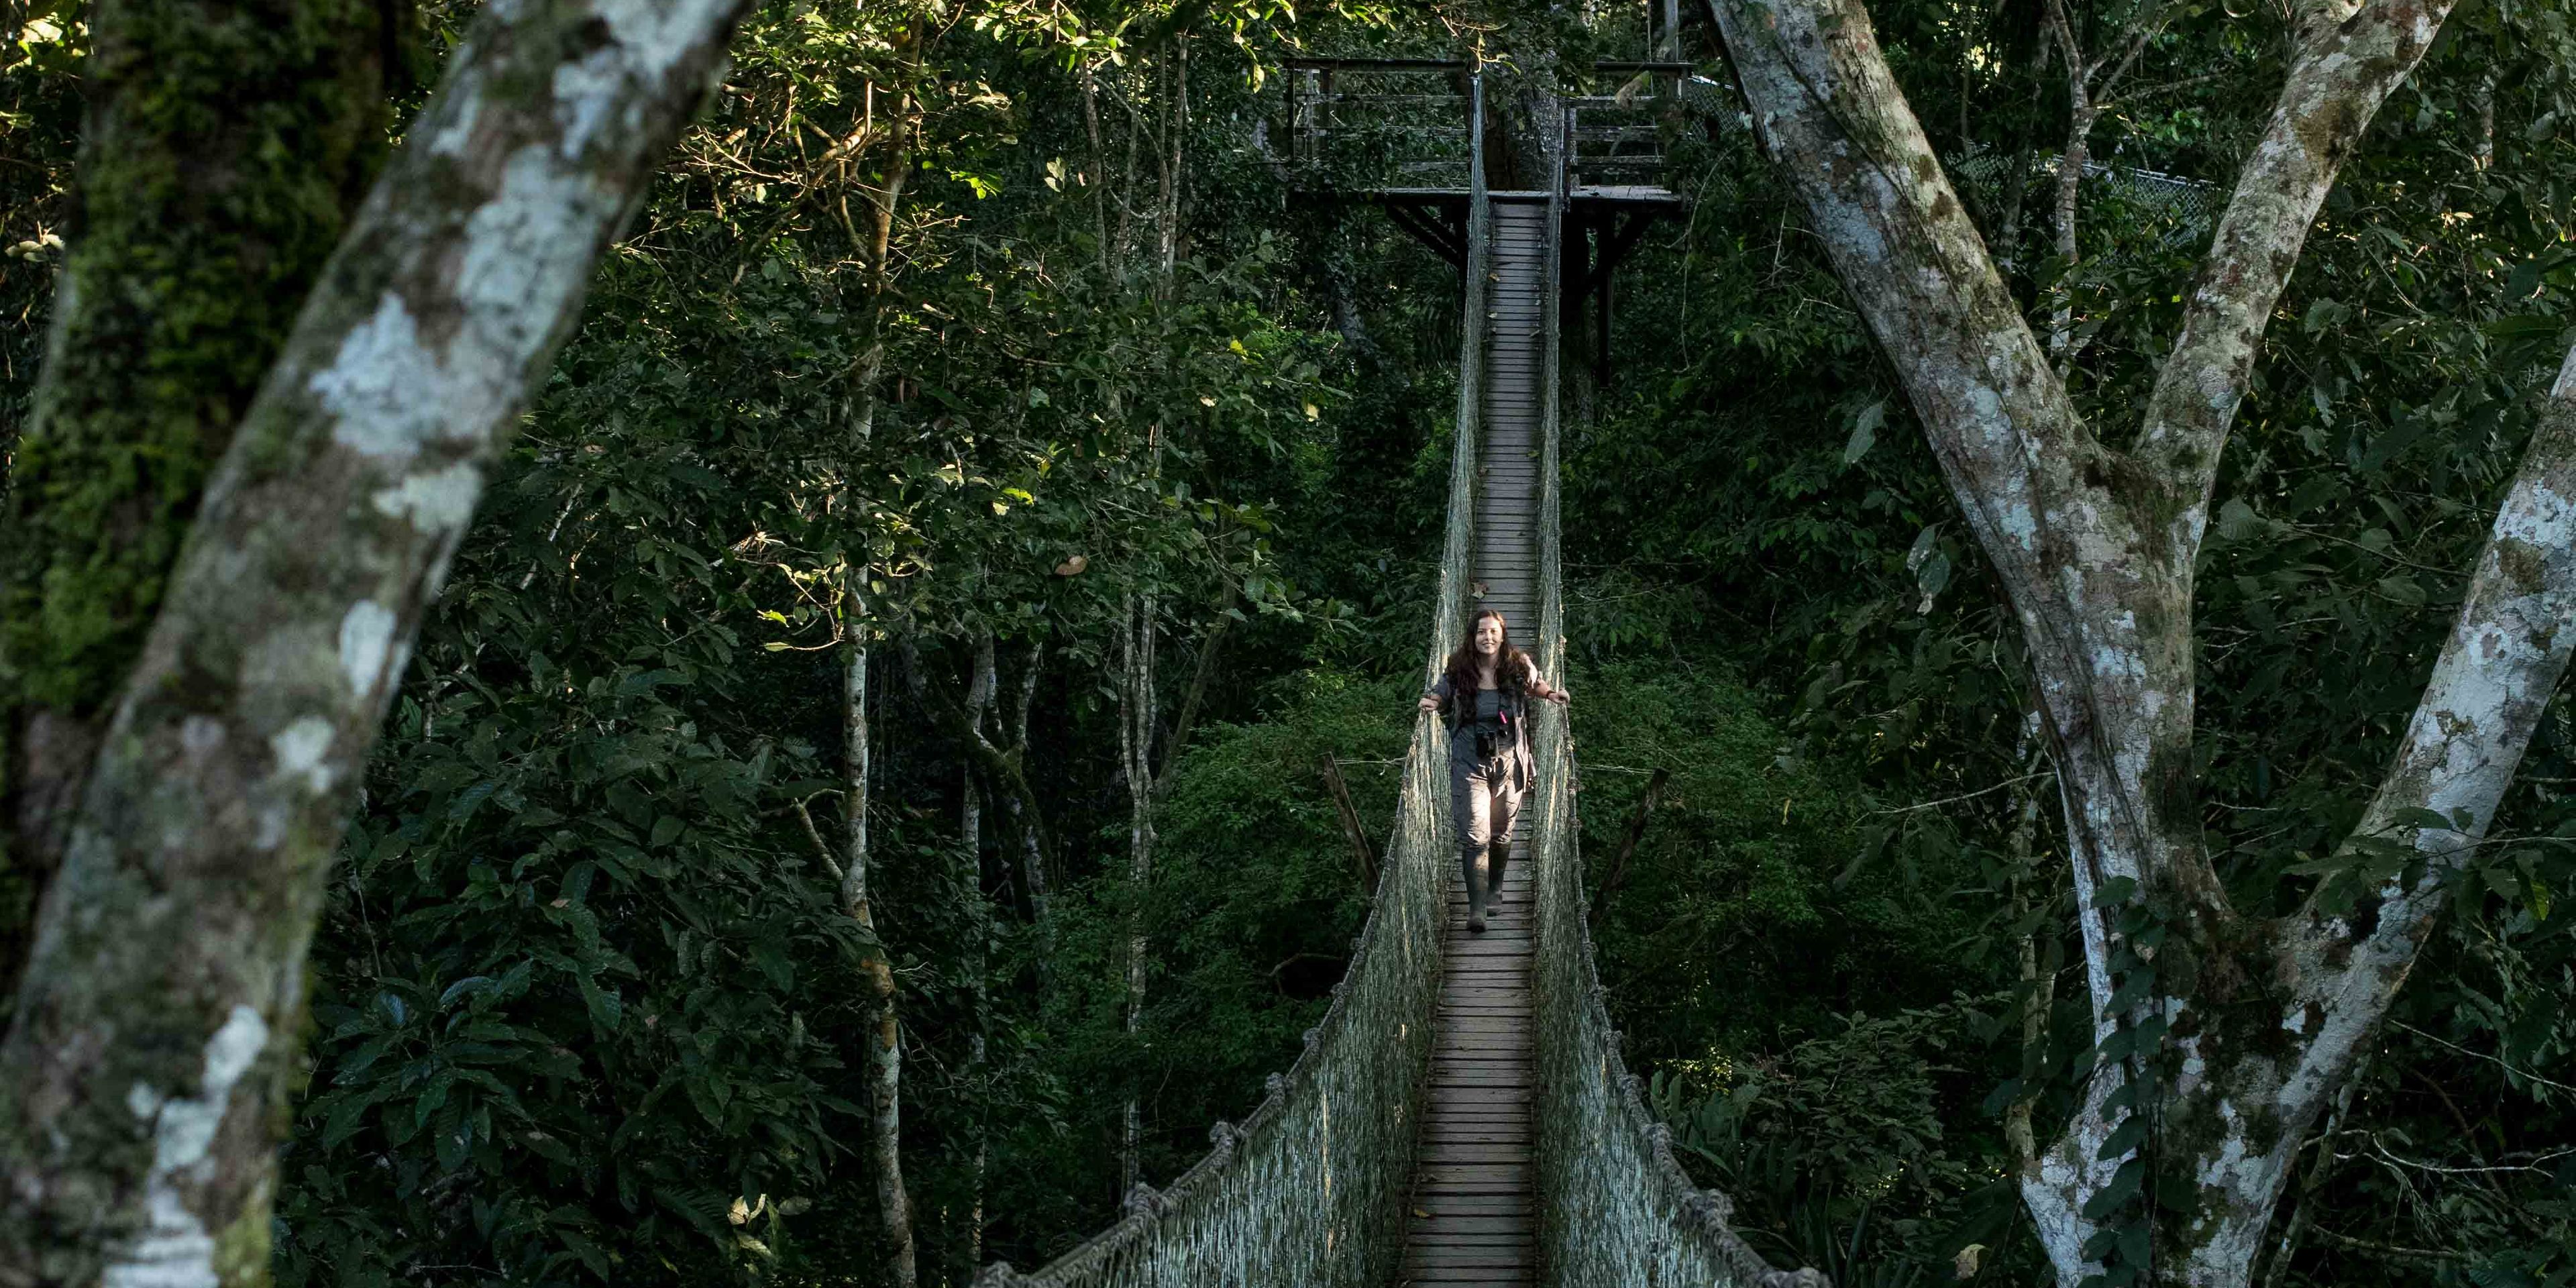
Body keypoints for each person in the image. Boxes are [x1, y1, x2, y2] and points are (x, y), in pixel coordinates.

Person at [1418, 609, 1569, 932]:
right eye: (1481, 632)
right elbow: (1442, 690)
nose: (1487, 637)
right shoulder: (1460, 668)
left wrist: (1554, 695)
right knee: (1475, 835)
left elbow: (1537, 685)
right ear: (1472, 637)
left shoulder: (1517, 665)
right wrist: (1432, 701)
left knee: (1502, 831)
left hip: (1510, 759)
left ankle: (1496, 888)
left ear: (1502, 635)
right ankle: (1477, 911)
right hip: (1469, 758)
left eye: (1493, 631)